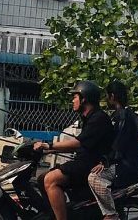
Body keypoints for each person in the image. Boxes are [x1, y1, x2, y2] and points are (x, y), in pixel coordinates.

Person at [34, 80, 114, 220]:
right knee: (41, 179)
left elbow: (78, 143)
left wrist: (49, 146)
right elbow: (82, 145)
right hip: (84, 162)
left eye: (75, 97)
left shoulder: (98, 118)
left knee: (50, 180)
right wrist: (49, 150)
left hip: (90, 165)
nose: (72, 101)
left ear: (84, 99)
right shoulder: (89, 118)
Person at [88, 81, 138, 220]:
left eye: (107, 96)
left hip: (126, 165)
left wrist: (105, 161)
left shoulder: (123, 116)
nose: (107, 99)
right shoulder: (122, 114)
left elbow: (119, 143)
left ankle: (110, 214)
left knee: (94, 177)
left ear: (112, 96)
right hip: (129, 163)